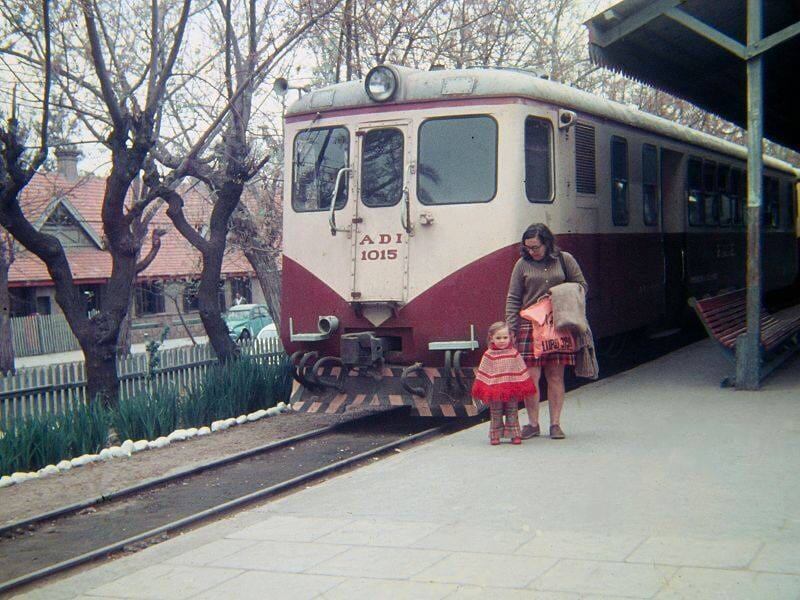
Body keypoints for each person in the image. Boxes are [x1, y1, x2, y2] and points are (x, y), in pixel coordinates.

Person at [505, 223, 588, 440]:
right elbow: (514, 297)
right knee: (531, 377)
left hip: (557, 323)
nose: (531, 251)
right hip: (529, 323)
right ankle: (533, 424)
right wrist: (511, 327)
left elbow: (581, 285)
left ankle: (555, 424)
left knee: (555, 376)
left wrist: (559, 295)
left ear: (547, 243)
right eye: (528, 248)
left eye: (536, 247)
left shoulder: (564, 259)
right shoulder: (521, 265)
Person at [472, 322, 537, 445]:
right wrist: (484, 388)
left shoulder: (514, 353)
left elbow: (521, 370)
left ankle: (514, 434)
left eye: (505, 338)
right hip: (495, 390)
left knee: (512, 411)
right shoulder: (489, 355)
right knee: (495, 412)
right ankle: (495, 434)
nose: (502, 341)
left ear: (510, 338)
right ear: (491, 338)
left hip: (511, 388)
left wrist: (523, 385)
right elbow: (483, 373)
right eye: (498, 338)